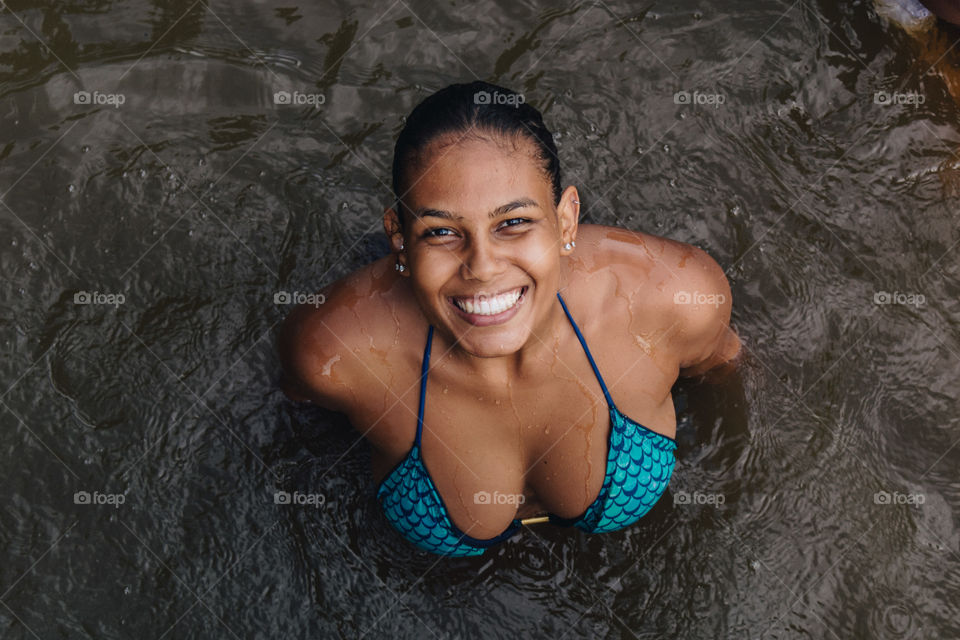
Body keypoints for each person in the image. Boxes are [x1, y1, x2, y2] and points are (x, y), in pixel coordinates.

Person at [277, 81, 743, 556]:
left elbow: (724, 371)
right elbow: (304, 419)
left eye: (513, 223)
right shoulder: (334, 350)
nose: (481, 266)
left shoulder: (674, 299)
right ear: (398, 237)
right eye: (440, 231)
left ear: (566, 221)